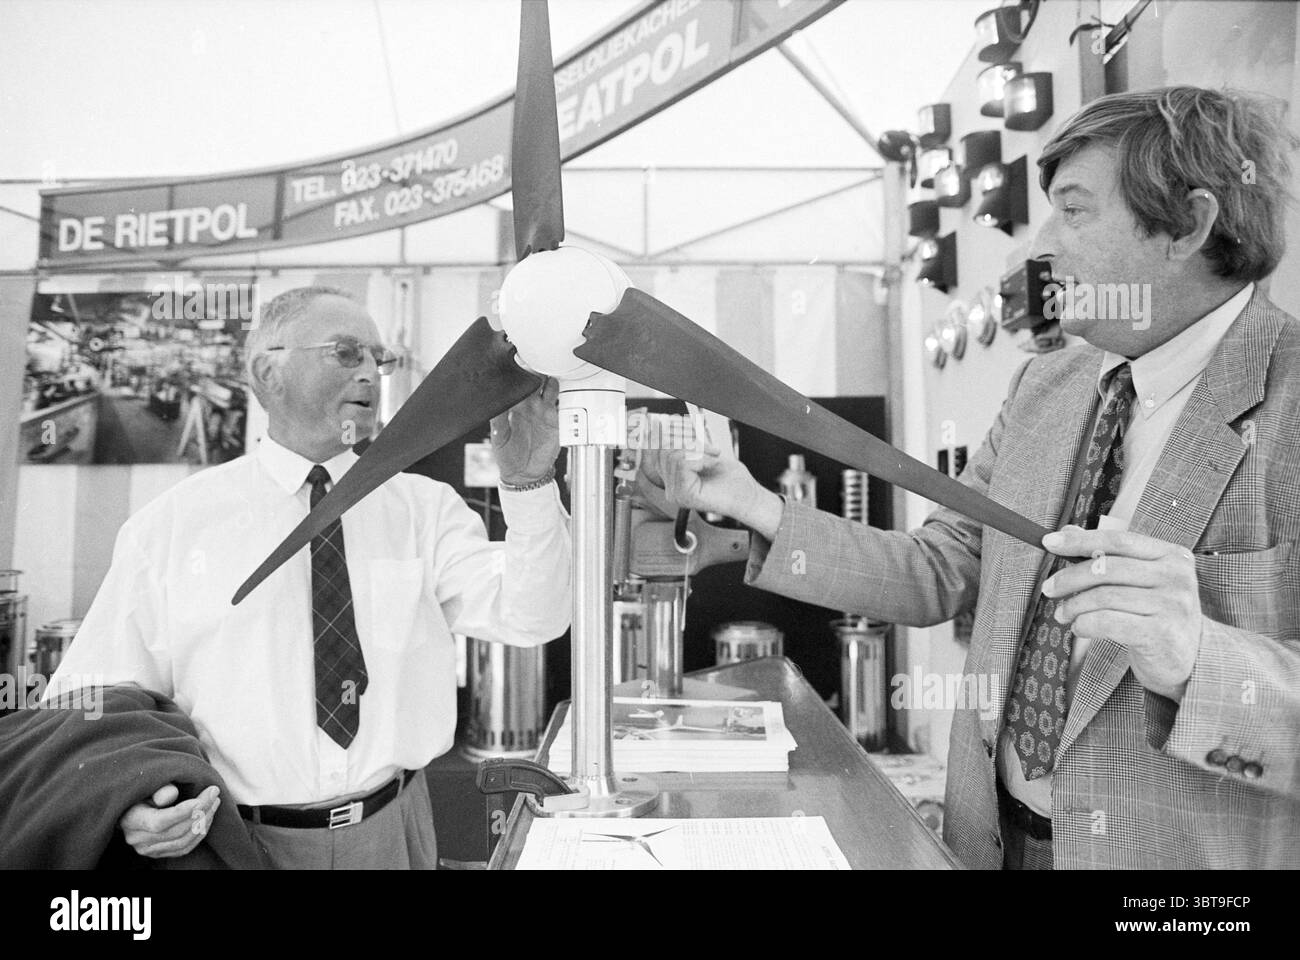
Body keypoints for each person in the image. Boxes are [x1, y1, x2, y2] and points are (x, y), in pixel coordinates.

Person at [642, 86, 1300, 869]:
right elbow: (939, 569)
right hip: (991, 843)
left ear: (1188, 224)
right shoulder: (1049, 386)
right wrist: (751, 504)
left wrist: (1196, 654)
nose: (1038, 250)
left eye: (1075, 210)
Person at [46, 286, 571, 869]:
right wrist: (128, 802)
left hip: (395, 834)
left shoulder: (423, 509)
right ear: (267, 370)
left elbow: (534, 617)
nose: (372, 372)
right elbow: (89, 695)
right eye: (346, 353)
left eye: (380, 358)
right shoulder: (172, 526)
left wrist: (529, 483)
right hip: (237, 844)